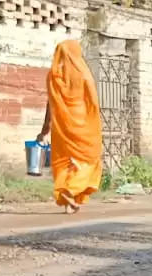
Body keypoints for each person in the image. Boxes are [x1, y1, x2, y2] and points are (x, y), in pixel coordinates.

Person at [37, 40, 103, 214]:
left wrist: (46, 127)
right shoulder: (83, 73)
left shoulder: (54, 76)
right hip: (83, 122)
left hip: (61, 124)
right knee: (86, 159)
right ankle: (71, 189)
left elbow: (51, 103)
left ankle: (69, 201)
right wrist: (94, 119)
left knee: (65, 160)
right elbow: (93, 101)